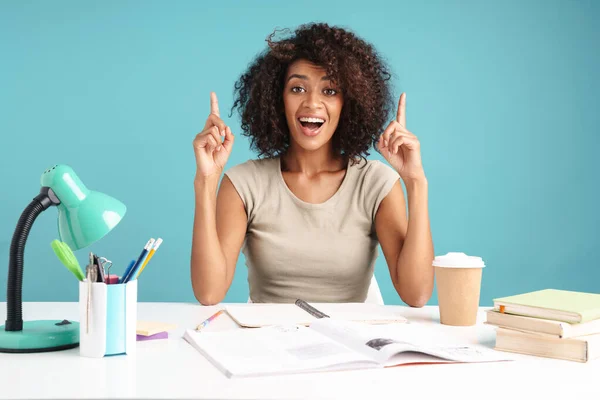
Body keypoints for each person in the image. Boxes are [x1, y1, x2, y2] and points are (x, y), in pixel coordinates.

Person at [191, 22, 434, 306]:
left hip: (350, 346)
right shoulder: (244, 184)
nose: (312, 103)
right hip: (268, 344)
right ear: (277, 99)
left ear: (349, 102)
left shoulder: (375, 184)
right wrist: (206, 182)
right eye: (297, 88)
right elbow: (209, 293)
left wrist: (416, 182)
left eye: (329, 91)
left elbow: (416, 294)